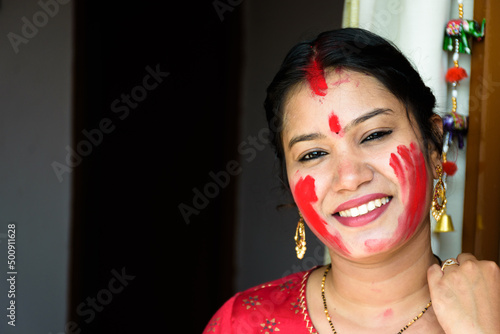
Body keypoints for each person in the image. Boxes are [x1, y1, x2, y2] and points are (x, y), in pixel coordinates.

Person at [204, 28, 500, 333]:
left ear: (433, 147)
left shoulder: (491, 315)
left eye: (374, 135)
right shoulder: (240, 324)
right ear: (289, 184)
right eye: (313, 154)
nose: (349, 177)